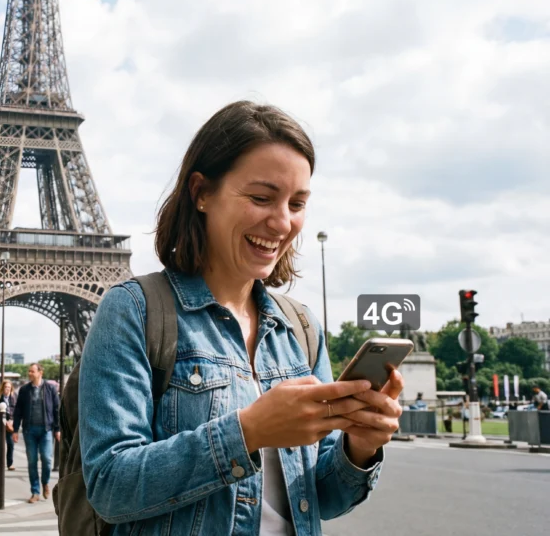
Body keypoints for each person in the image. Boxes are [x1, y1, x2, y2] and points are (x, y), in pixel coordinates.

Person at [78, 101, 402, 535]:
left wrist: (358, 448)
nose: (283, 222)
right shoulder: (133, 310)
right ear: (201, 193)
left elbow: (323, 498)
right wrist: (247, 432)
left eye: (297, 203)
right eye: (261, 198)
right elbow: (110, 486)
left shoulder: (301, 330)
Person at [12, 364, 60, 503]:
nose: (29, 373)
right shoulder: (24, 390)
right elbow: (18, 411)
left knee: (46, 458)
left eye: (32, 371)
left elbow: (56, 409)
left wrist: (57, 429)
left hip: (46, 429)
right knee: (32, 461)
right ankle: (35, 491)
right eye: (29, 371)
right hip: (29, 430)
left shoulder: (50, 388)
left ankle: (45, 482)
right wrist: (15, 430)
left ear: (40, 372)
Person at [0, 380, 17, 471]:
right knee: (0, 445)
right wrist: (3, 419)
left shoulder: (14, 398)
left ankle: (10, 463)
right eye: (6, 387)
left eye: (9, 387)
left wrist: (12, 421)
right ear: (2, 388)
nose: (7, 389)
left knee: (10, 444)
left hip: (10, 425)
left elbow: (16, 410)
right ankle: (1, 462)